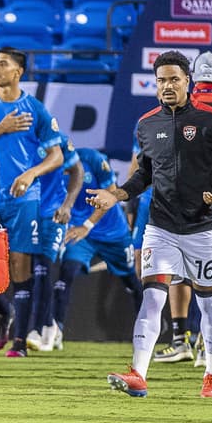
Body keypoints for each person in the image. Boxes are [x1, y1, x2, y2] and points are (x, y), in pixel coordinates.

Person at [91, 50, 212, 399]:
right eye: (161, 80)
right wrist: (116, 195)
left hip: (203, 229)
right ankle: (138, 374)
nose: (167, 86)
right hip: (160, 227)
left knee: (209, 304)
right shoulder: (147, 124)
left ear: (188, 82)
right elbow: (143, 175)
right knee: (151, 299)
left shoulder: (211, 120)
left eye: (174, 79)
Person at [0, 47, 64, 357]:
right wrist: (0, 128)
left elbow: (57, 156)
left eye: (3, 64)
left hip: (23, 198)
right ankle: (5, 312)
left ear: (18, 72)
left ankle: (19, 343)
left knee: (20, 266)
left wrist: (32, 173)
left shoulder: (36, 110)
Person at [157, 51, 212, 364]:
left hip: (175, 207)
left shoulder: (172, 109)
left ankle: (180, 340)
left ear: (191, 78)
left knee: (178, 277)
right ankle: (210, 342)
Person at [54, 147, 142, 343]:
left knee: (131, 281)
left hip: (113, 233)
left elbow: (111, 195)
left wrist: (87, 225)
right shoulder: (50, 169)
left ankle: (147, 329)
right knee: (67, 271)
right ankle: (55, 329)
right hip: (80, 233)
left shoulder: (93, 159)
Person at [30, 134, 83, 351]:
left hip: (53, 213)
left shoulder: (56, 138)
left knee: (43, 268)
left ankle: (37, 328)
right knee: (25, 273)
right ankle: (49, 321)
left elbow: (77, 170)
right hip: (23, 212)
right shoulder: (11, 135)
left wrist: (67, 205)